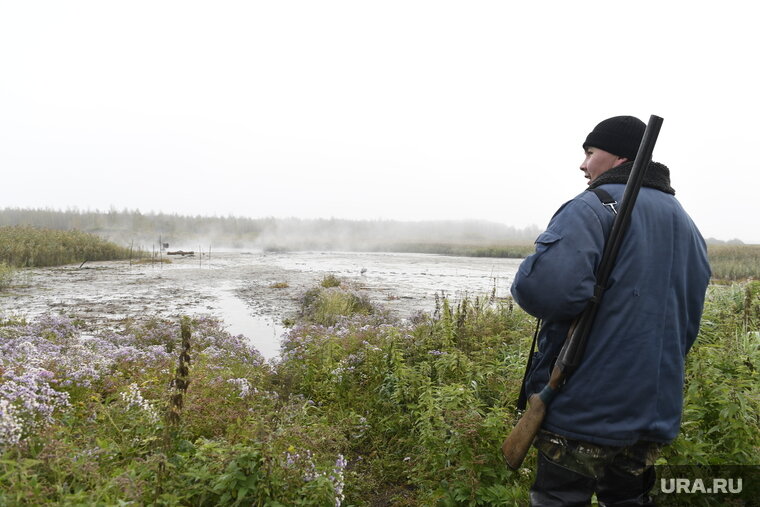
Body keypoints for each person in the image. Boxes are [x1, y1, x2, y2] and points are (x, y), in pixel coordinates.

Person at [510, 116, 711, 506]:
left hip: (585, 406)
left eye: (589, 152)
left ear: (620, 157)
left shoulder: (592, 208)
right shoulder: (686, 223)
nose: (583, 165)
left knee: (559, 498)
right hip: (653, 411)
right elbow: (687, 322)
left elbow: (546, 291)